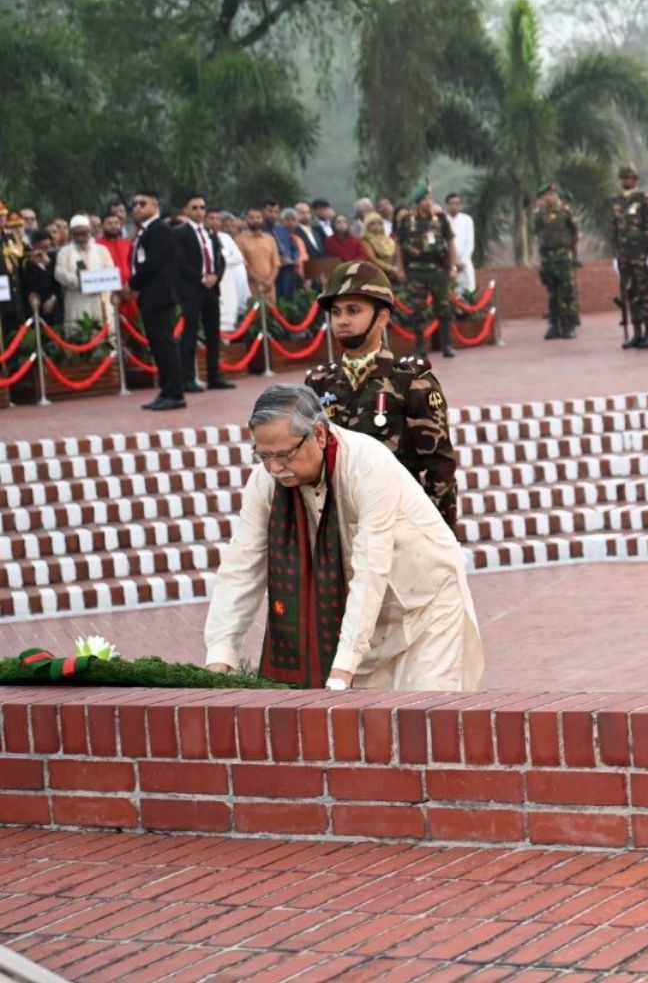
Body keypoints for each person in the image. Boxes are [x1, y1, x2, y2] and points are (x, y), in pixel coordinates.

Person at [203, 384, 484, 690]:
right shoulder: (266, 481)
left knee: (425, 721)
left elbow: (371, 566)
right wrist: (220, 656)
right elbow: (241, 565)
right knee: (368, 731)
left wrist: (344, 666)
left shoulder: (367, 464)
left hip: (426, 610)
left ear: (320, 435)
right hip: (359, 620)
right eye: (263, 455)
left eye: (284, 455)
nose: (275, 468)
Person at [305, 261, 460, 532]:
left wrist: (438, 535)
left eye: (354, 310)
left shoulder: (411, 381)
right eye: (336, 312)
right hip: (338, 526)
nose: (342, 320)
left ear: (382, 317)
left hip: (397, 525)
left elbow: (439, 466)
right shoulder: (318, 383)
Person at [130, 189, 187, 410]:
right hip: (151, 295)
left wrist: (132, 283)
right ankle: (166, 390)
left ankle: (174, 393)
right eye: (134, 204)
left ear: (155, 205)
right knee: (158, 345)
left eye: (142, 203)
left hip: (159, 295)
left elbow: (153, 263)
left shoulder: (159, 230)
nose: (137, 208)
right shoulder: (147, 231)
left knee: (164, 345)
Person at [173, 194, 234, 394]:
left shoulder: (210, 233)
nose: (200, 211)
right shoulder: (181, 233)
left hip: (211, 289)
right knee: (189, 333)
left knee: (213, 333)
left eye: (202, 207)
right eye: (195, 207)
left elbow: (220, 259)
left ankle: (214, 375)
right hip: (192, 289)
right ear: (187, 211)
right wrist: (201, 278)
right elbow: (180, 262)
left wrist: (216, 275)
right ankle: (187, 378)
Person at [394, 185, 458, 357]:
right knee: (418, 311)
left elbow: (450, 241)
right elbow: (399, 245)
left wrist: (453, 266)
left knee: (443, 309)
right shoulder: (407, 221)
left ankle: (447, 346)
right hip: (416, 271)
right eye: (424, 199)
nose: (428, 202)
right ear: (417, 202)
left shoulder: (440, 219)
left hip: (437, 270)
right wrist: (399, 267)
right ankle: (420, 347)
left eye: (430, 199)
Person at [610, 162, 648, 349]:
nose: (627, 181)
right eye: (624, 178)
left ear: (635, 180)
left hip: (641, 255)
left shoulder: (643, 199)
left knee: (644, 294)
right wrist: (615, 255)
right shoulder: (617, 201)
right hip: (624, 256)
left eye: (630, 178)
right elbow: (614, 231)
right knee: (630, 295)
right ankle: (636, 333)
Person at [532, 183, 581, 341]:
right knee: (552, 293)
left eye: (552, 194)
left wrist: (570, 251)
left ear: (556, 195)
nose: (549, 198)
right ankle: (554, 325)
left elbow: (574, 234)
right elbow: (538, 233)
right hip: (548, 257)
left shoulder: (566, 212)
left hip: (563, 255)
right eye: (546, 195)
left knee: (566, 291)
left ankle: (569, 325)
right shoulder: (540, 215)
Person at [54, 215, 116, 324]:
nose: (80, 238)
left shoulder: (102, 250)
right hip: (76, 300)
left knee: (105, 333)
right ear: (72, 234)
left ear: (90, 231)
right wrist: (80, 281)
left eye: (84, 233)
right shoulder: (64, 252)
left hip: (100, 300)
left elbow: (110, 272)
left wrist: (92, 281)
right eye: (76, 234)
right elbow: (59, 273)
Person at [234, 208, 279, 304]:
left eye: (258, 217)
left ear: (262, 219)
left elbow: (276, 263)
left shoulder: (269, 239)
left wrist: (270, 281)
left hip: (270, 286)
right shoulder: (239, 240)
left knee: (272, 315)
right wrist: (260, 281)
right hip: (251, 286)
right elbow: (243, 265)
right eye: (252, 218)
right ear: (246, 219)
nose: (255, 220)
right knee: (253, 315)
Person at [273, 207, 308, 301]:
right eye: (287, 220)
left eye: (293, 220)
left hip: (300, 273)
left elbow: (301, 254)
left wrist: (297, 259)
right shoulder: (277, 234)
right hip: (284, 272)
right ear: (281, 221)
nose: (290, 223)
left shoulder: (299, 239)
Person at [446, 193, 476, 293]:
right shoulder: (443, 220)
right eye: (452, 203)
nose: (454, 206)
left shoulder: (467, 220)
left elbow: (469, 242)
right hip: (448, 262)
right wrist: (453, 261)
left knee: (468, 290)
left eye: (457, 203)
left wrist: (463, 260)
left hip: (464, 262)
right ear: (447, 205)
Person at [362, 213, 398, 280]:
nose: (377, 226)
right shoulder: (365, 240)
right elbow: (373, 258)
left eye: (379, 223)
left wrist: (396, 268)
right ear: (366, 226)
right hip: (376, 274)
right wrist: (390, 268)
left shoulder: (389, 240)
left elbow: (396, 255)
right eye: (372, 224)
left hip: (394, 271)